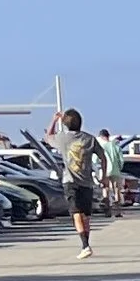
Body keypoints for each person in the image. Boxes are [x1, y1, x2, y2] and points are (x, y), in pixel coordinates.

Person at [50, 108, 106, 259]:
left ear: (65, 124)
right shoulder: (90, 139)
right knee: (85, 216)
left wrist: (54, 120)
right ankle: (86, 244)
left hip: (70, 181)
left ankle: (85, 246)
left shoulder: (62, 138)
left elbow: (48, 136)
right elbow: (103, 157)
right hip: (86, 182)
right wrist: (104, 176)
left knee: (76, 214)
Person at [99, 131, 126, 216]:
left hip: (105, 170)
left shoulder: (101, 147)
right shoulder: (116, 147)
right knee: (116, 190)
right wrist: (119, 168)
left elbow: (95, 159)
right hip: (115, 170)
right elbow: (121, 160)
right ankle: (117, 211)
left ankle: (107, 211)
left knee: (106, 189)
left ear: (101, 137)